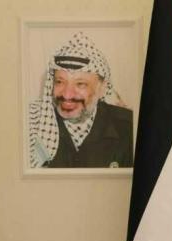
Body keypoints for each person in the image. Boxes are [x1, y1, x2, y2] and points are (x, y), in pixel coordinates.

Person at [28, 32, 133, 168]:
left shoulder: (129, 127)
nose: (67, 95)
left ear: (102, 88)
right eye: (60, 81)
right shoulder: (33, 124)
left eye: (80, 84)